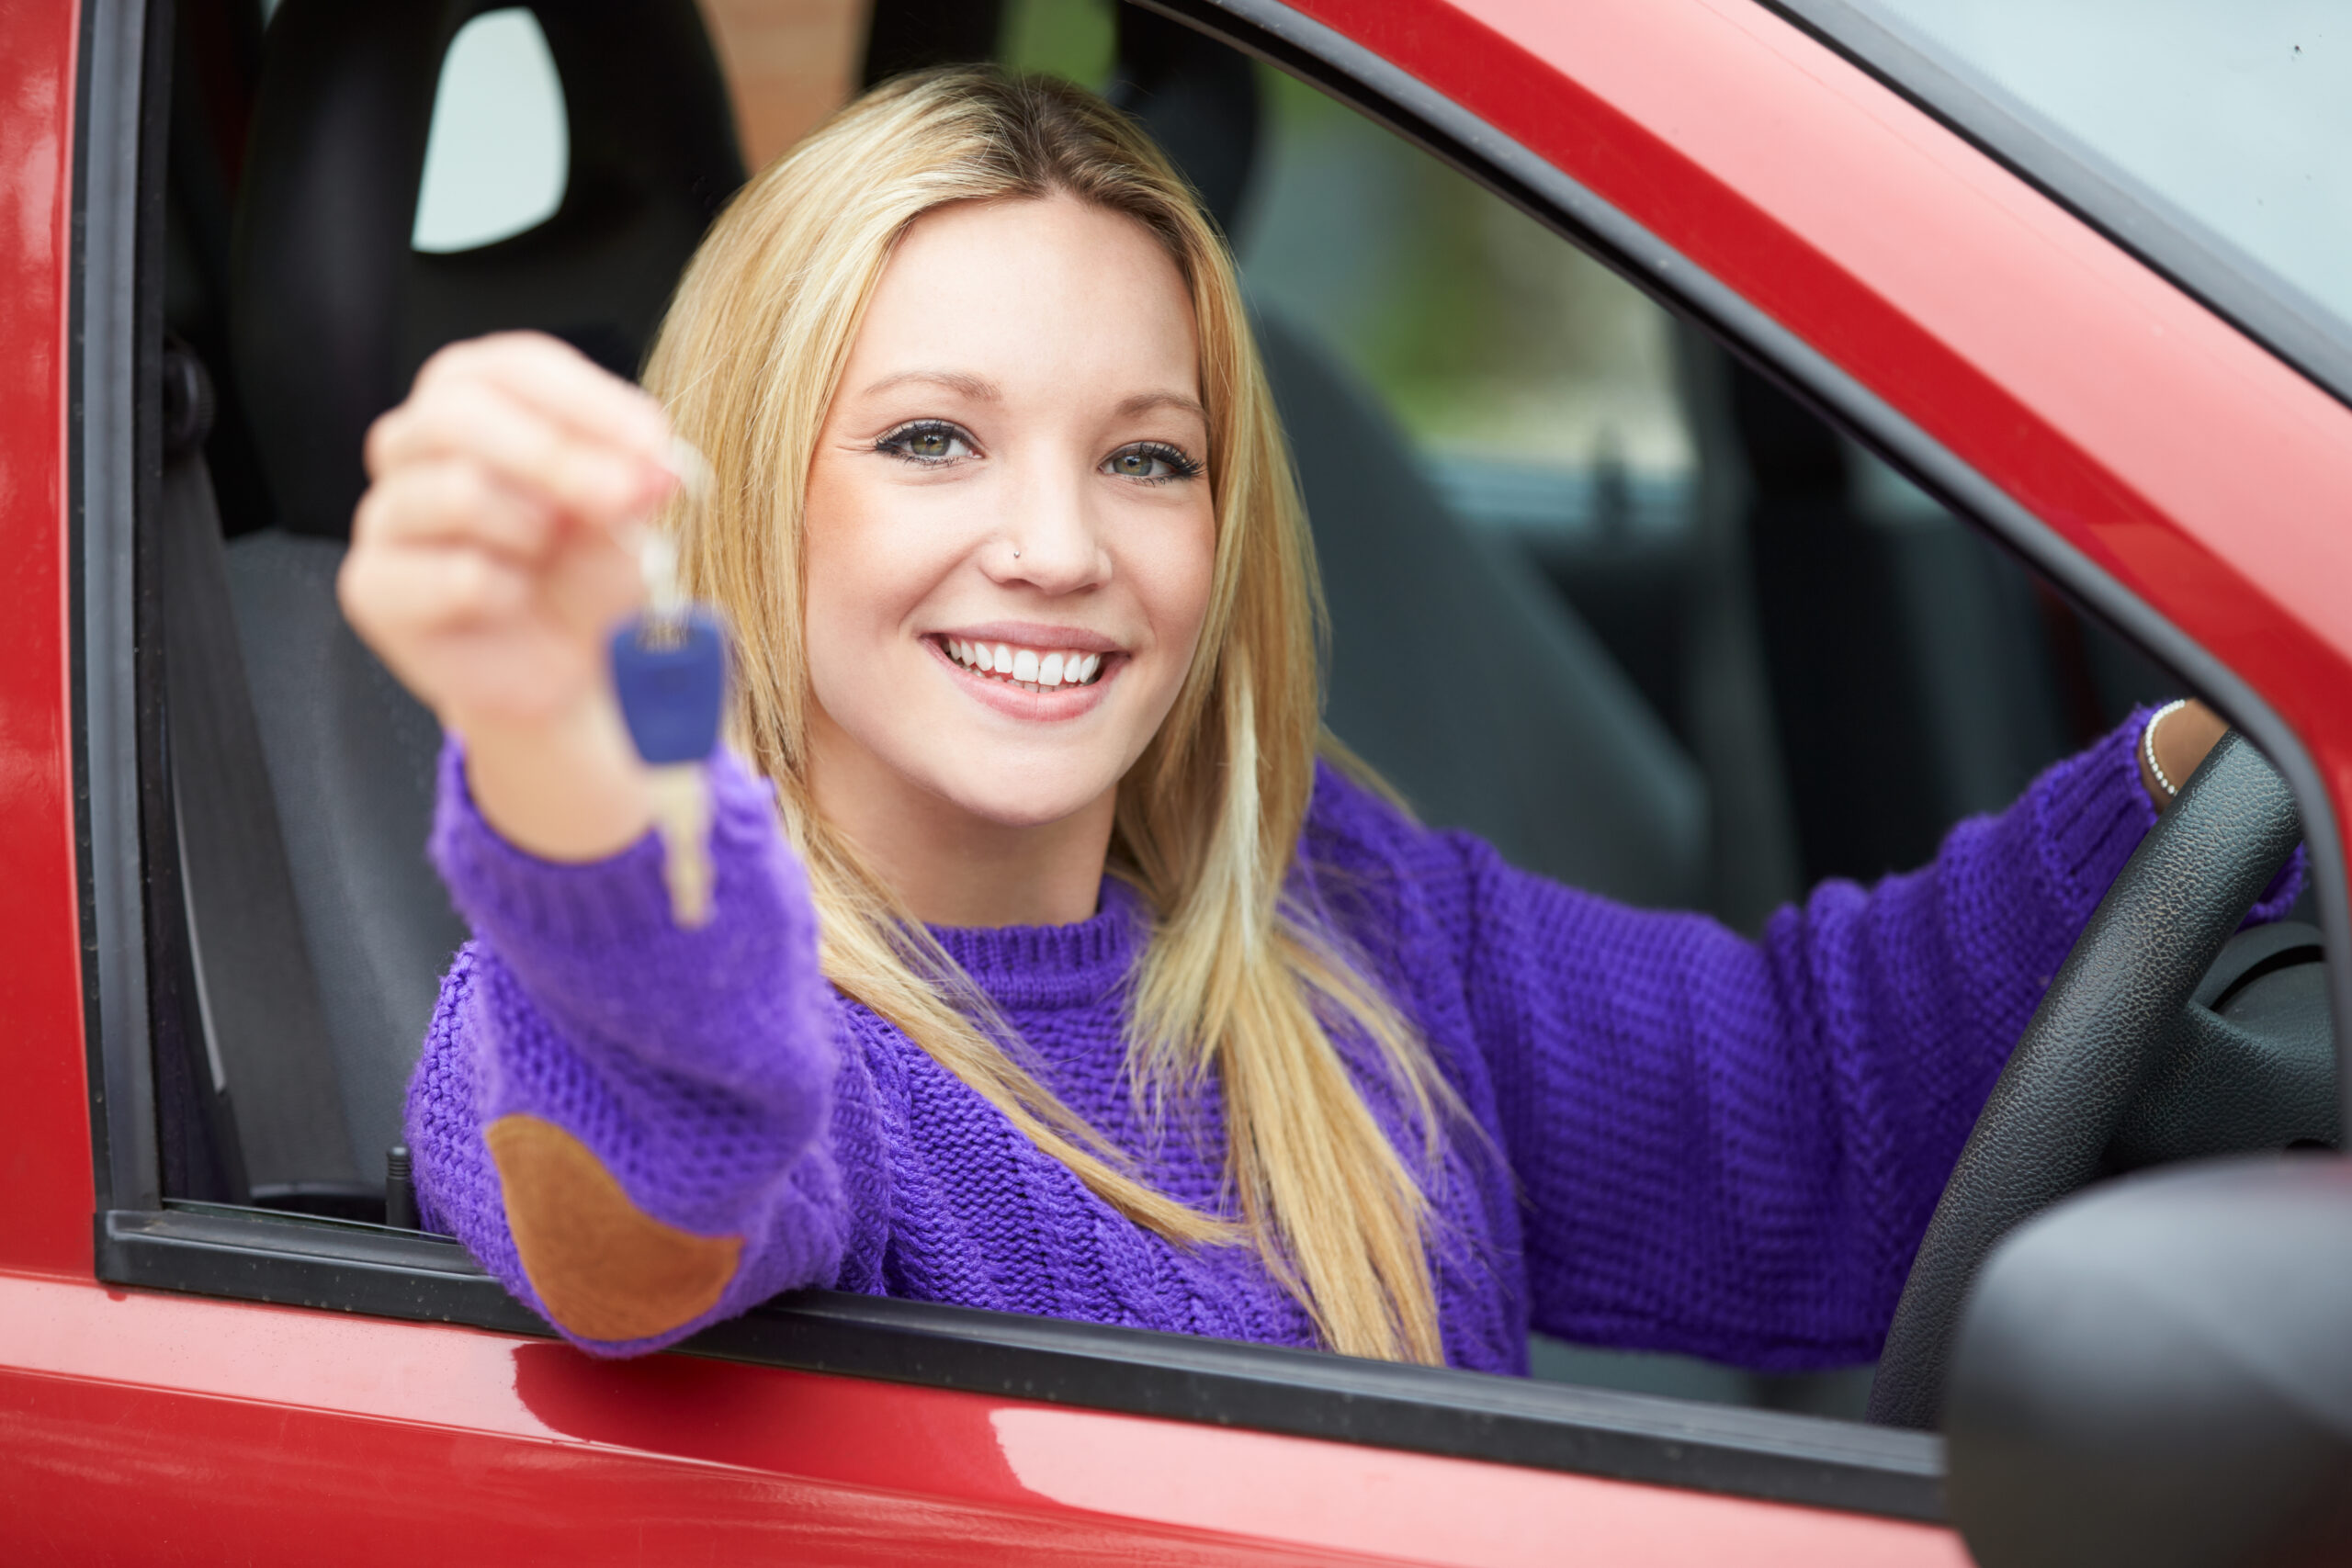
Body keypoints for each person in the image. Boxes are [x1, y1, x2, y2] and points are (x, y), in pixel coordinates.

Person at [343, 67, 2272, 1371]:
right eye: (931, 440)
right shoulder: (740, 1048)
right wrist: (577, 769)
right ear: (755, 498)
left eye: (1146, 459)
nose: (1053, 544)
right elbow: (635, 1221)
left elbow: (1824, 1111)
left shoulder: (1337, 917)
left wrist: (2236, 735)